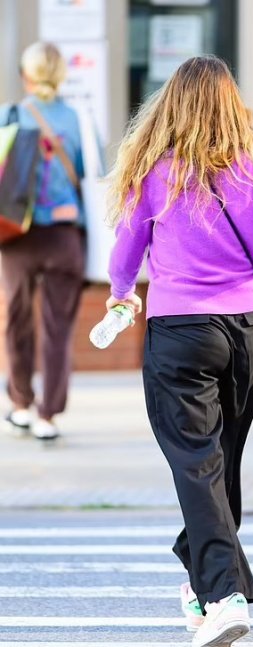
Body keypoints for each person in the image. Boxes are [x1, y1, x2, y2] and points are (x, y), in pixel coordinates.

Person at [106, 55, 253, 647]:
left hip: (180, 330)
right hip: (248, 327)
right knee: (218, 461)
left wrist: (122, 297)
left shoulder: (154, 169)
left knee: (199, 465)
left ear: (169, 106)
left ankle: (220, 597)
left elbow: (124, 256)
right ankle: (203, 578)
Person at [0, 42, 85, 441]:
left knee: (15, 322)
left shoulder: (10, 115)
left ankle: (20, 403)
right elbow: (89, 173)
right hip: (64, 235)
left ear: (27, 75)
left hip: (17, 235)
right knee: (58, 328)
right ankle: (48, 416)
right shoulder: (78, 118)